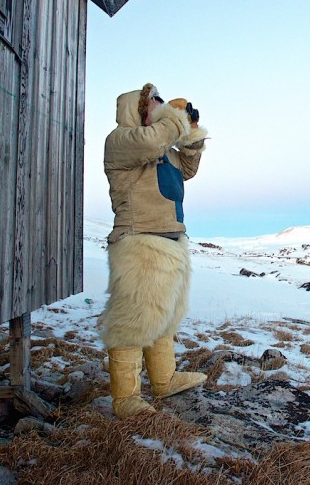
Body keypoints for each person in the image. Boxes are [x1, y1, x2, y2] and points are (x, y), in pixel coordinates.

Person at [100, 82, 208, 419]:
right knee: (133, 321)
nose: (163, 106)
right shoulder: (121, 141)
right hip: (139, 243)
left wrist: (189, 132)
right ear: (137, 108)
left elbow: (187, 169)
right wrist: (174, 119)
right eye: (156, 103)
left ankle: (164, 379)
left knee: (165, 316)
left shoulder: (165, 150)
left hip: (172, 242)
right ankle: (126, 399)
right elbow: (150, 141)